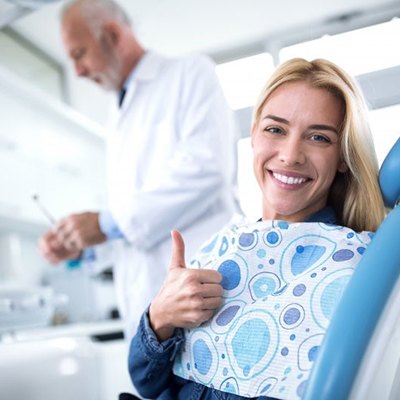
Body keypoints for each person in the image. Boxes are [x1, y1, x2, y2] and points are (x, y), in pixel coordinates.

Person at [127, 57, 386, 400]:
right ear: (253, 136)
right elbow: (148, 384)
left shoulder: (356, 268)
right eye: (275, 129)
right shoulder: (221, 250)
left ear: (342, 156)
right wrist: (160, 317)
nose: (291, 155)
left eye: (319, 137)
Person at [38, 0, 240, 341]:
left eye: (79, 54)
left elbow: (206, 168)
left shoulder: (189, 74)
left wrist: (102, 224)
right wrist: (83, 243)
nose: (78, 71)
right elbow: (134, 224)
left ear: (113, 34)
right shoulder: (117, 115)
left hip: (202, 298)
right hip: (149, 313)